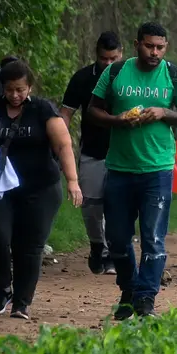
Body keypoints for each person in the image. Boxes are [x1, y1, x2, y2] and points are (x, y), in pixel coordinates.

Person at [88, 22, 177, 320]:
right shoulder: (115, 72)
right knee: (118, 239)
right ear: (137, 44)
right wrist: (117, 119)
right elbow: (93, 110)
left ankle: (146, 297)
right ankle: (129, 288)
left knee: (153, 238)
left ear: (166, 47)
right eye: (149, 46)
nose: (155, 52)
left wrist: (165, 113)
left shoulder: (174, 74)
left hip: (157, 170)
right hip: (120, 169)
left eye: (160, 47)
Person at [0, 58, 83, 320]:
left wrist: (72, 181)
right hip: (0, 189)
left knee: (29, 247)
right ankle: (4, 287)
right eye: (10, 89)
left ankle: (21, 303)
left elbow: (63, 145)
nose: (15, 95)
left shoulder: (43, 109)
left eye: (20, 89)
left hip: (40, 188)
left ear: (29, 88)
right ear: (3, 88)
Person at [60, 31, 123, 274]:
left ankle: (114, 254)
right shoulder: (83, 78)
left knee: (118, 205)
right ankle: (98, 245)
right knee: (92, 205)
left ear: (121, 54)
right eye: (103, 59)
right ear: (96, 55)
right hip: (93, 151)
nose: (108, 64)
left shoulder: (130, 77)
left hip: (124, 152)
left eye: (113, 58)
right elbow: (66, 113)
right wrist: (59, 140)